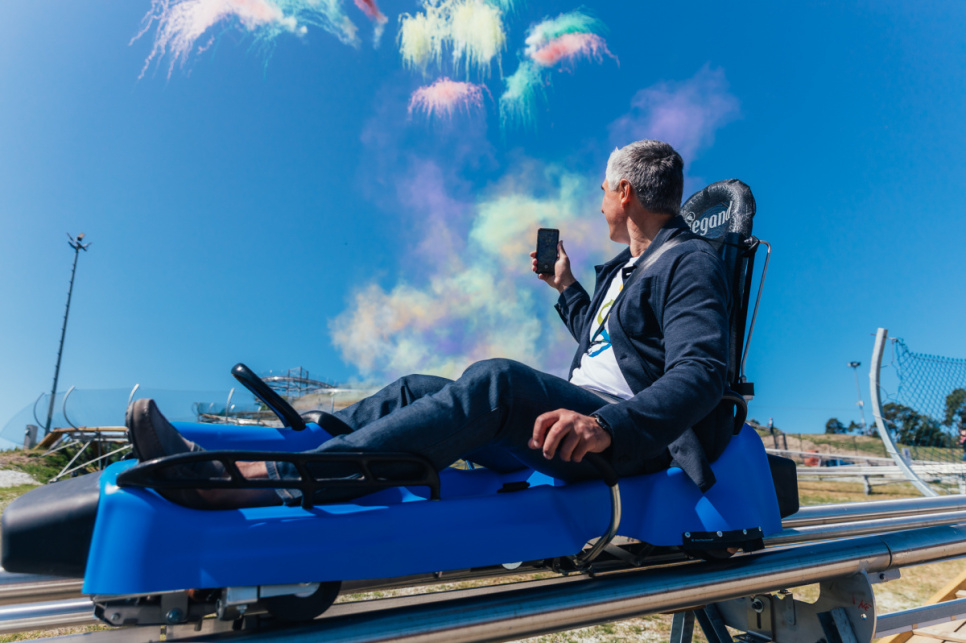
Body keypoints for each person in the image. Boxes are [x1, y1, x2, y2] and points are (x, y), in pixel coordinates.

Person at [127, 139, 732, 510]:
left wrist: (603, 426)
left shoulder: (689, 260)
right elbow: (614, 346)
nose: (598, 201)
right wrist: (567, 287)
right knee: (416, 387)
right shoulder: (624, 270)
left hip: (626, 442)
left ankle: (253, 482)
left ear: (624, 192)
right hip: (572, 426)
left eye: (602, 190)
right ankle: (303, 444)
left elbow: (703, 372)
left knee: (497, 381)